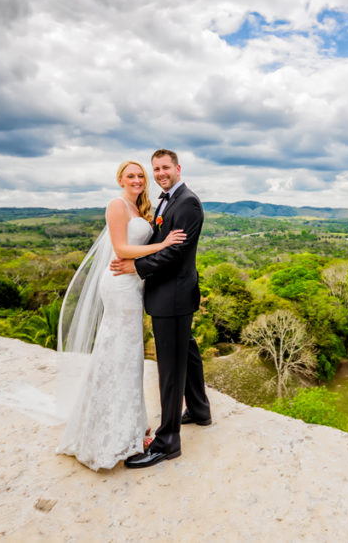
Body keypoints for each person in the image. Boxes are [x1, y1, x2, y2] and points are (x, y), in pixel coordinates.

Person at [55, 160, 186, 471]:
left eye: (141, 175)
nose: (138, 180)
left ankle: (130, 426)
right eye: (132, 176)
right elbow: (121, 249)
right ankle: (110, 433)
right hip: (119, 285)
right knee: (120, 354)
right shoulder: (117, 205)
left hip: (133, 285)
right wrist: (164, 244)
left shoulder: (138, 207)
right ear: (120, 180)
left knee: (129, 356)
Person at [112, 148, 211, 468]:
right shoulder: (167, 200)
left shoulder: (187, 203)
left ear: (178, 168)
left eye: (165, 167)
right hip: (171, 294)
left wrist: (135, 268)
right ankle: (199, 409)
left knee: (170, 369)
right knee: (188, 350)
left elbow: (175, 254)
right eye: (155, 168)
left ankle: (168, 442)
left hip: (173, 295)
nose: (159, 173)